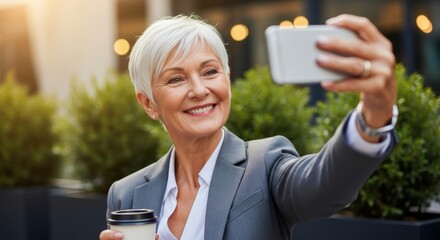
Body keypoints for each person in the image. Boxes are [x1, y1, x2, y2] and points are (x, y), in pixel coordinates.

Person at [99, 13, 397, 240]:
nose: (200, 89)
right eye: (176, 79)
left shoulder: (265, 164)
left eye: (210, 71)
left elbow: (325, 183)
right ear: (149, 103)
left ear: (227, 79)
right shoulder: (126, 194)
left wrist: (373, 116)